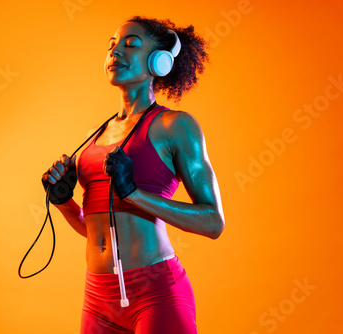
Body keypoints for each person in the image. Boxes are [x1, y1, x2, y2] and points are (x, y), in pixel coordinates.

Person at [41, 15, 225, 334]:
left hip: (155, 294)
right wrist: (63, 202)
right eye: (112, 45)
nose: (116, 52)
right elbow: (101, 230)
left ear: (160, 62)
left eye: (131, 44)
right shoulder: (95, 137)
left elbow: (213, 223)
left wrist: (135, 194)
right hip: (98, 299)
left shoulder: (176, 127)